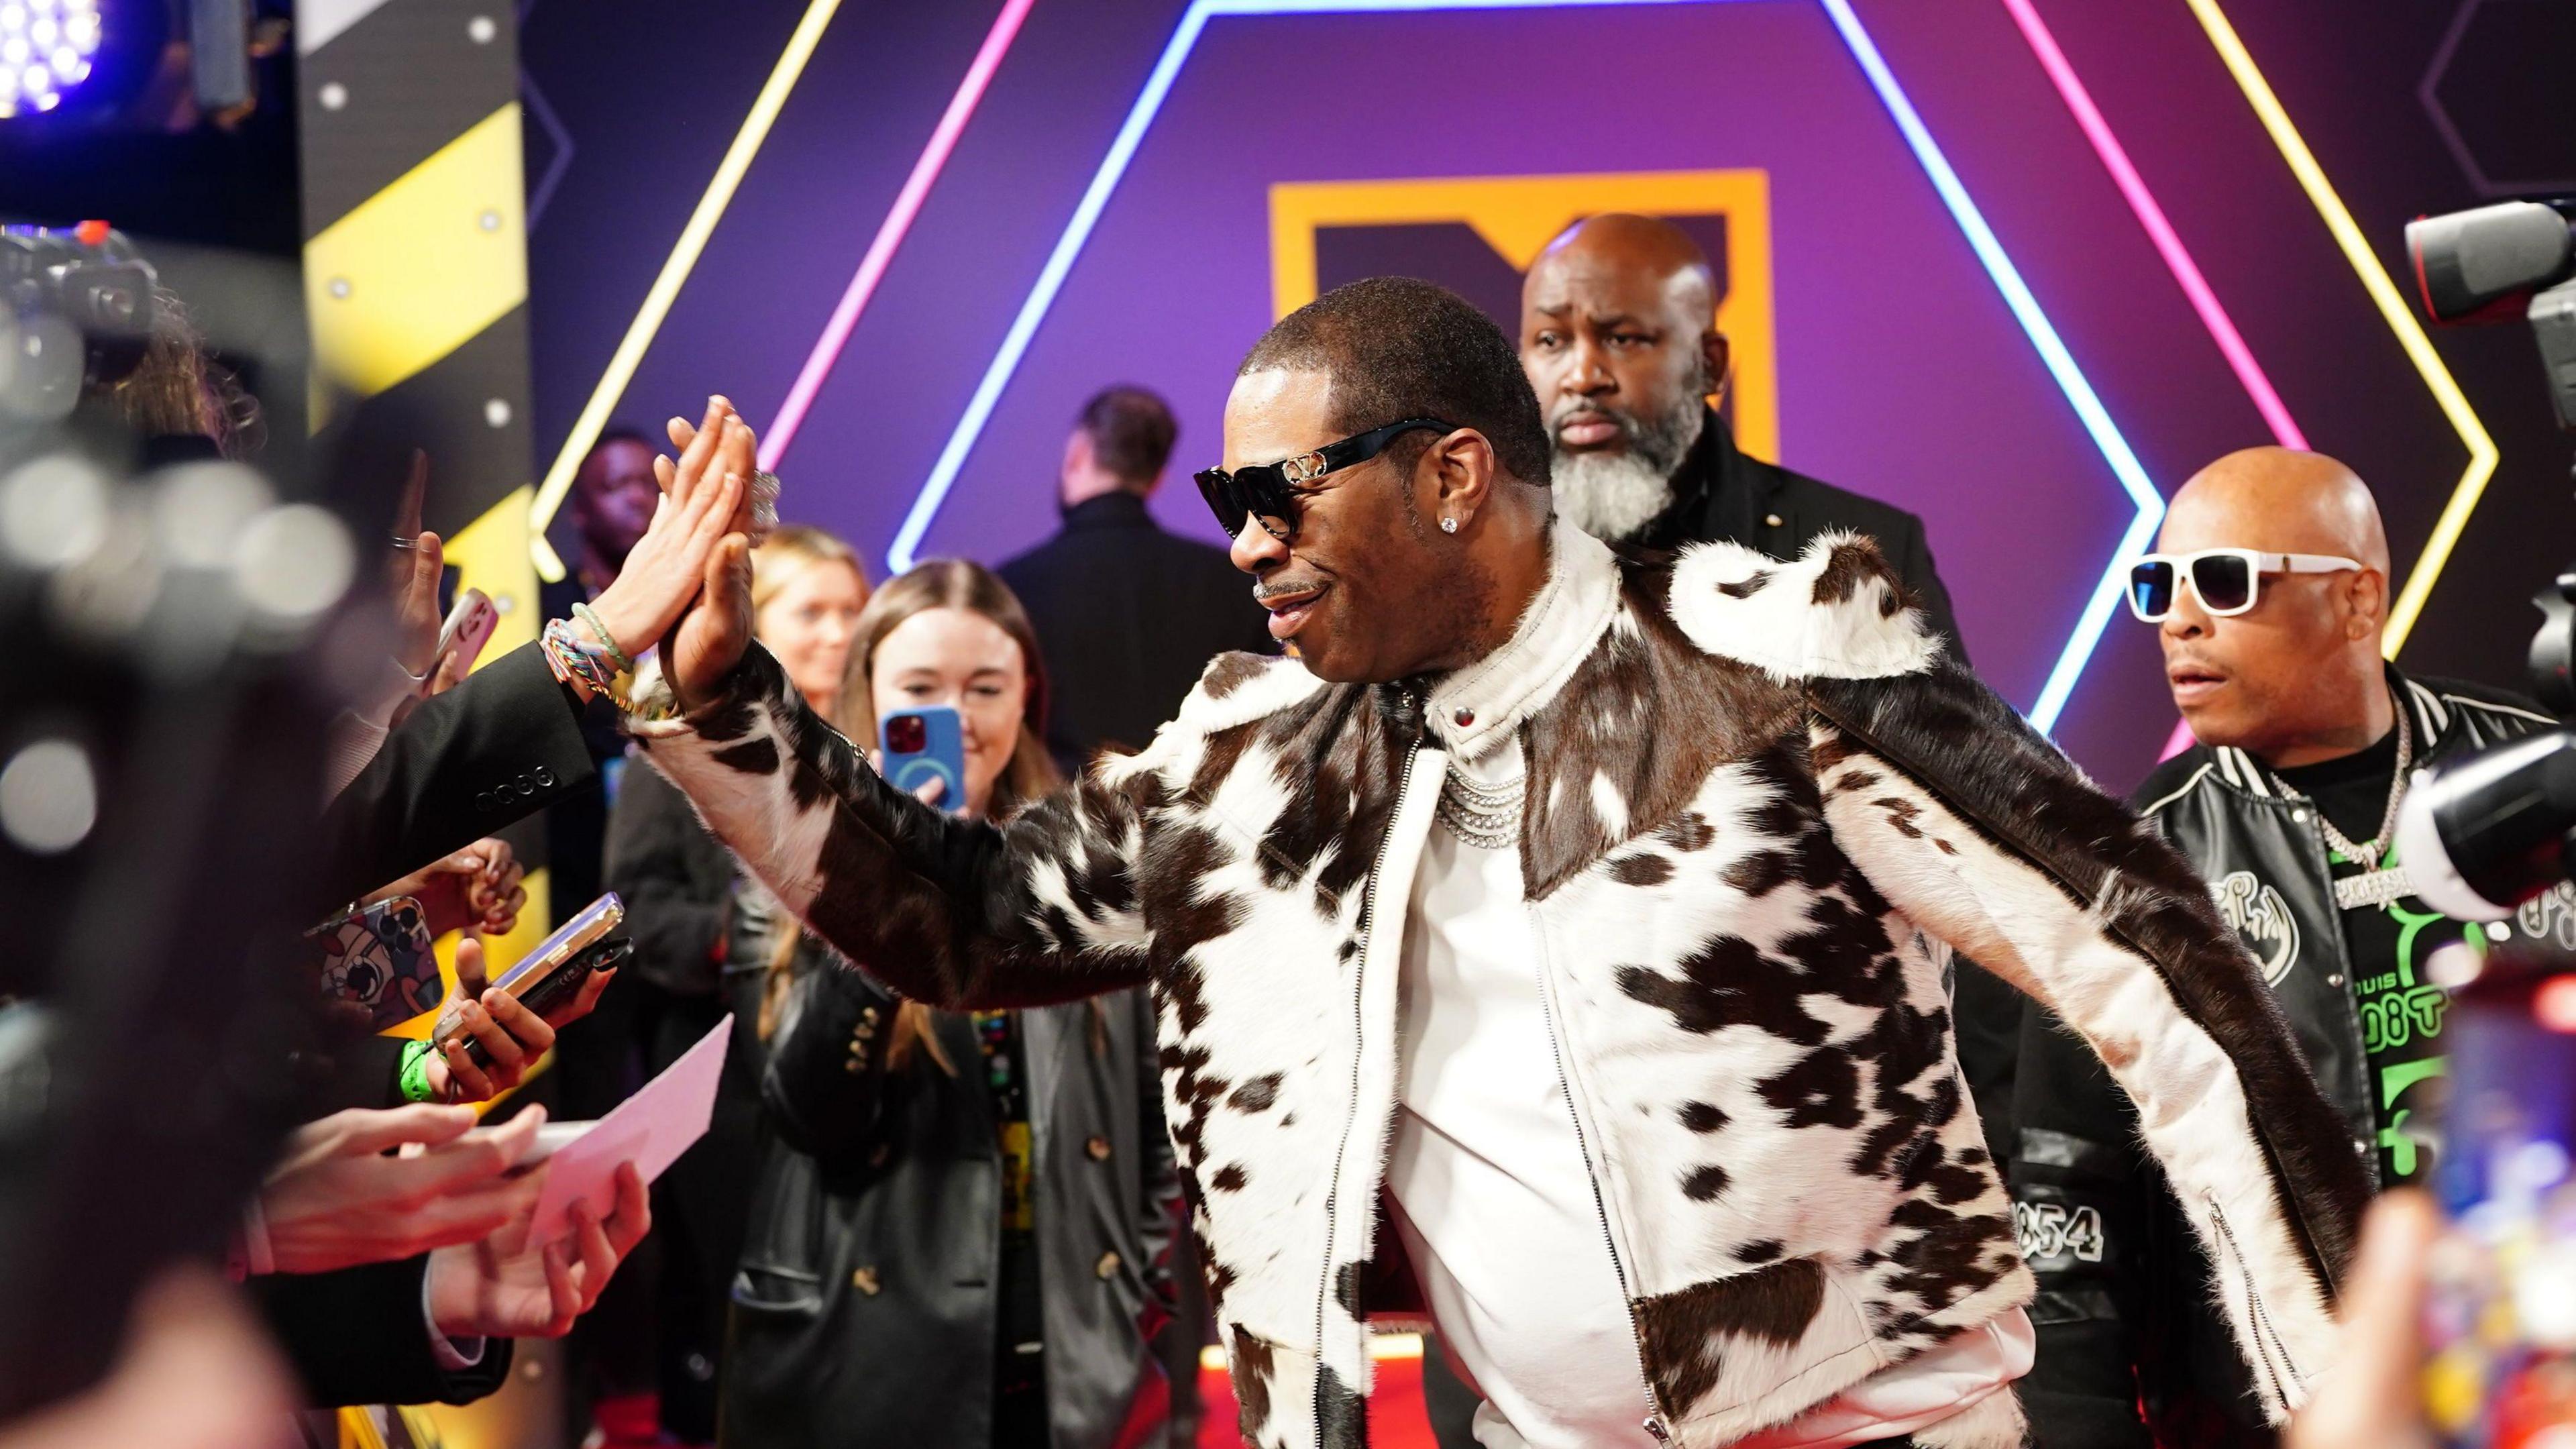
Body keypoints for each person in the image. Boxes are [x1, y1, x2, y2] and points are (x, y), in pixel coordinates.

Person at [624, 278, 2368, 1449]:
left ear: (1457, 472)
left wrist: (2363, 1394)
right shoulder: (1252, 759)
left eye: (1282, 491)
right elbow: (965, 919)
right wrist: (719, 702)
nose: (1244, 543)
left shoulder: (1781, 670)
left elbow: (2153, 958)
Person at [2009, 447, 2569, 1448]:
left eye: (2224, 581)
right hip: (2282, 1419)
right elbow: (2067, 1210)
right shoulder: (2126, 874)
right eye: (2158, 586)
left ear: (2356, 602)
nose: (2180, 619)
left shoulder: (2542, 783)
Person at [722, 559, 1179, 1449]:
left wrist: (1142, 1287)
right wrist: (887, 908)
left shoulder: (1091, 867)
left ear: (1026, 698)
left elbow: (1151, 1121)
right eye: (923, 689)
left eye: (986, 687)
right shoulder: (790, 866)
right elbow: (807, 1114)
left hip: (1075, 1346)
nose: (960, 720)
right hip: (867, 1356)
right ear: (870, 695)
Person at [602, 523, 869, 1442]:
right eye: (813, 613)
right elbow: (634, 914)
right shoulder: (677, 749)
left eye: (852, 612)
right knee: (736, 1303)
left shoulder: (888, 750)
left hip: (865, 1076)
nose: (839, 633)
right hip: (725, 1083)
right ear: (750, 627)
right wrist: (753, 932)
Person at [1518, 215, 1964, 654]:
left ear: (1709, 364)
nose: (1581, 376)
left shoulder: (1866, 554)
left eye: (1622, 338)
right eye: (1551, 341)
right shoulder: (1482, 552)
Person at [998, 385, 1273, 771]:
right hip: (1200, 822)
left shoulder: (1011, 589)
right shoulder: (1236, 583)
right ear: (1158, 477)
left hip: (1063, 822)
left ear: (1078, 455)